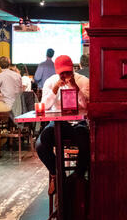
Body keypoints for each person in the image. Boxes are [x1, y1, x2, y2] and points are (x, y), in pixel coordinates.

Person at [35, 55, 90, 194]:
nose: (65, 75)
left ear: (73, 69)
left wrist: (76, 88)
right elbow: (45, 107)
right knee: (40, 144)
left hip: (78, 123)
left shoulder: (83, 81)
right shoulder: (50, 82)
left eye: (68, 72)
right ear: (57, 71)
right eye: (62, 73)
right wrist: (55, 89)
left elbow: (88, 106)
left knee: (86, 141)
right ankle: (57, 175)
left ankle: (77, 176)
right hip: (58, 123)